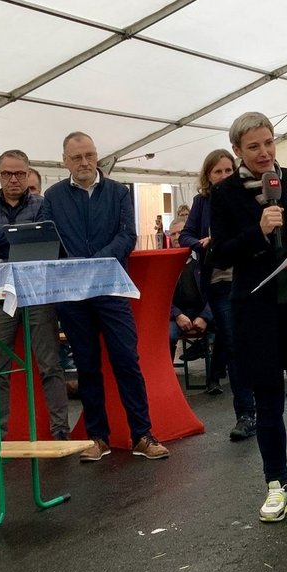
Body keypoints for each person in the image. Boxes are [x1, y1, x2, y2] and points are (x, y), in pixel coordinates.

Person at [211, 112, 287, 526]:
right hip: (256, 311)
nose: (264, 153)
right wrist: (259, 231)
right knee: (267, 400)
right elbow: (219, 253)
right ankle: (276, 483)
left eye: (268, 143)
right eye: (253, 147)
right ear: (237, 151)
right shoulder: (224, 193)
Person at [41, 132, 169, 461]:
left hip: (111, 288)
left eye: (89, 155)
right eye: (76, 157)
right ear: (64, 161)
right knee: (86, 366)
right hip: (72, 294)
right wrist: (74, 266)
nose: (84, 162)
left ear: (96, 156)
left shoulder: (118, 192)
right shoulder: (52, 197)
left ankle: (142, 434)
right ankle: (98, 438)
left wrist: (95, 261)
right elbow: (48, 240)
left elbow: (128, 236)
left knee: (126, 360)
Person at [0, 149, 68, 441]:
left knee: (50, 364)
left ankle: (60, 432)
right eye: (7, 173)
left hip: (38, 291)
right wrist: (21, 236)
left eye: (19, 174)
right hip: (1, 294)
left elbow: (48, 239)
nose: (13, 179)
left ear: (28, 174)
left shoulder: (43, 205)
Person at [181, 149, 256, 440]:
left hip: (249, 277)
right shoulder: (202, 202)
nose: (224, 176)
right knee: (234, 345)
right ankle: (245, 413)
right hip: (219, 282)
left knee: (253, 344)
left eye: (228, 170)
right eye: (218, 171)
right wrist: (202, 243)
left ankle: (261, 407)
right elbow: (185, 236)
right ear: (208, 176)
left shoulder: (246, 195)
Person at [166, 216, 210, 360]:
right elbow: (161, 298)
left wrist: (204, 317)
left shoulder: (202, 264)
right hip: (176, 316)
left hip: (200, 313)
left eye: (180, 233)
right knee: (168, 335)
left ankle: (214, 370)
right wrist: (177, 315)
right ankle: (168, 371)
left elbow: (214, 295)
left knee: (227, 326)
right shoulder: (165, 268)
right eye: (173, 234)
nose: (176, 237)